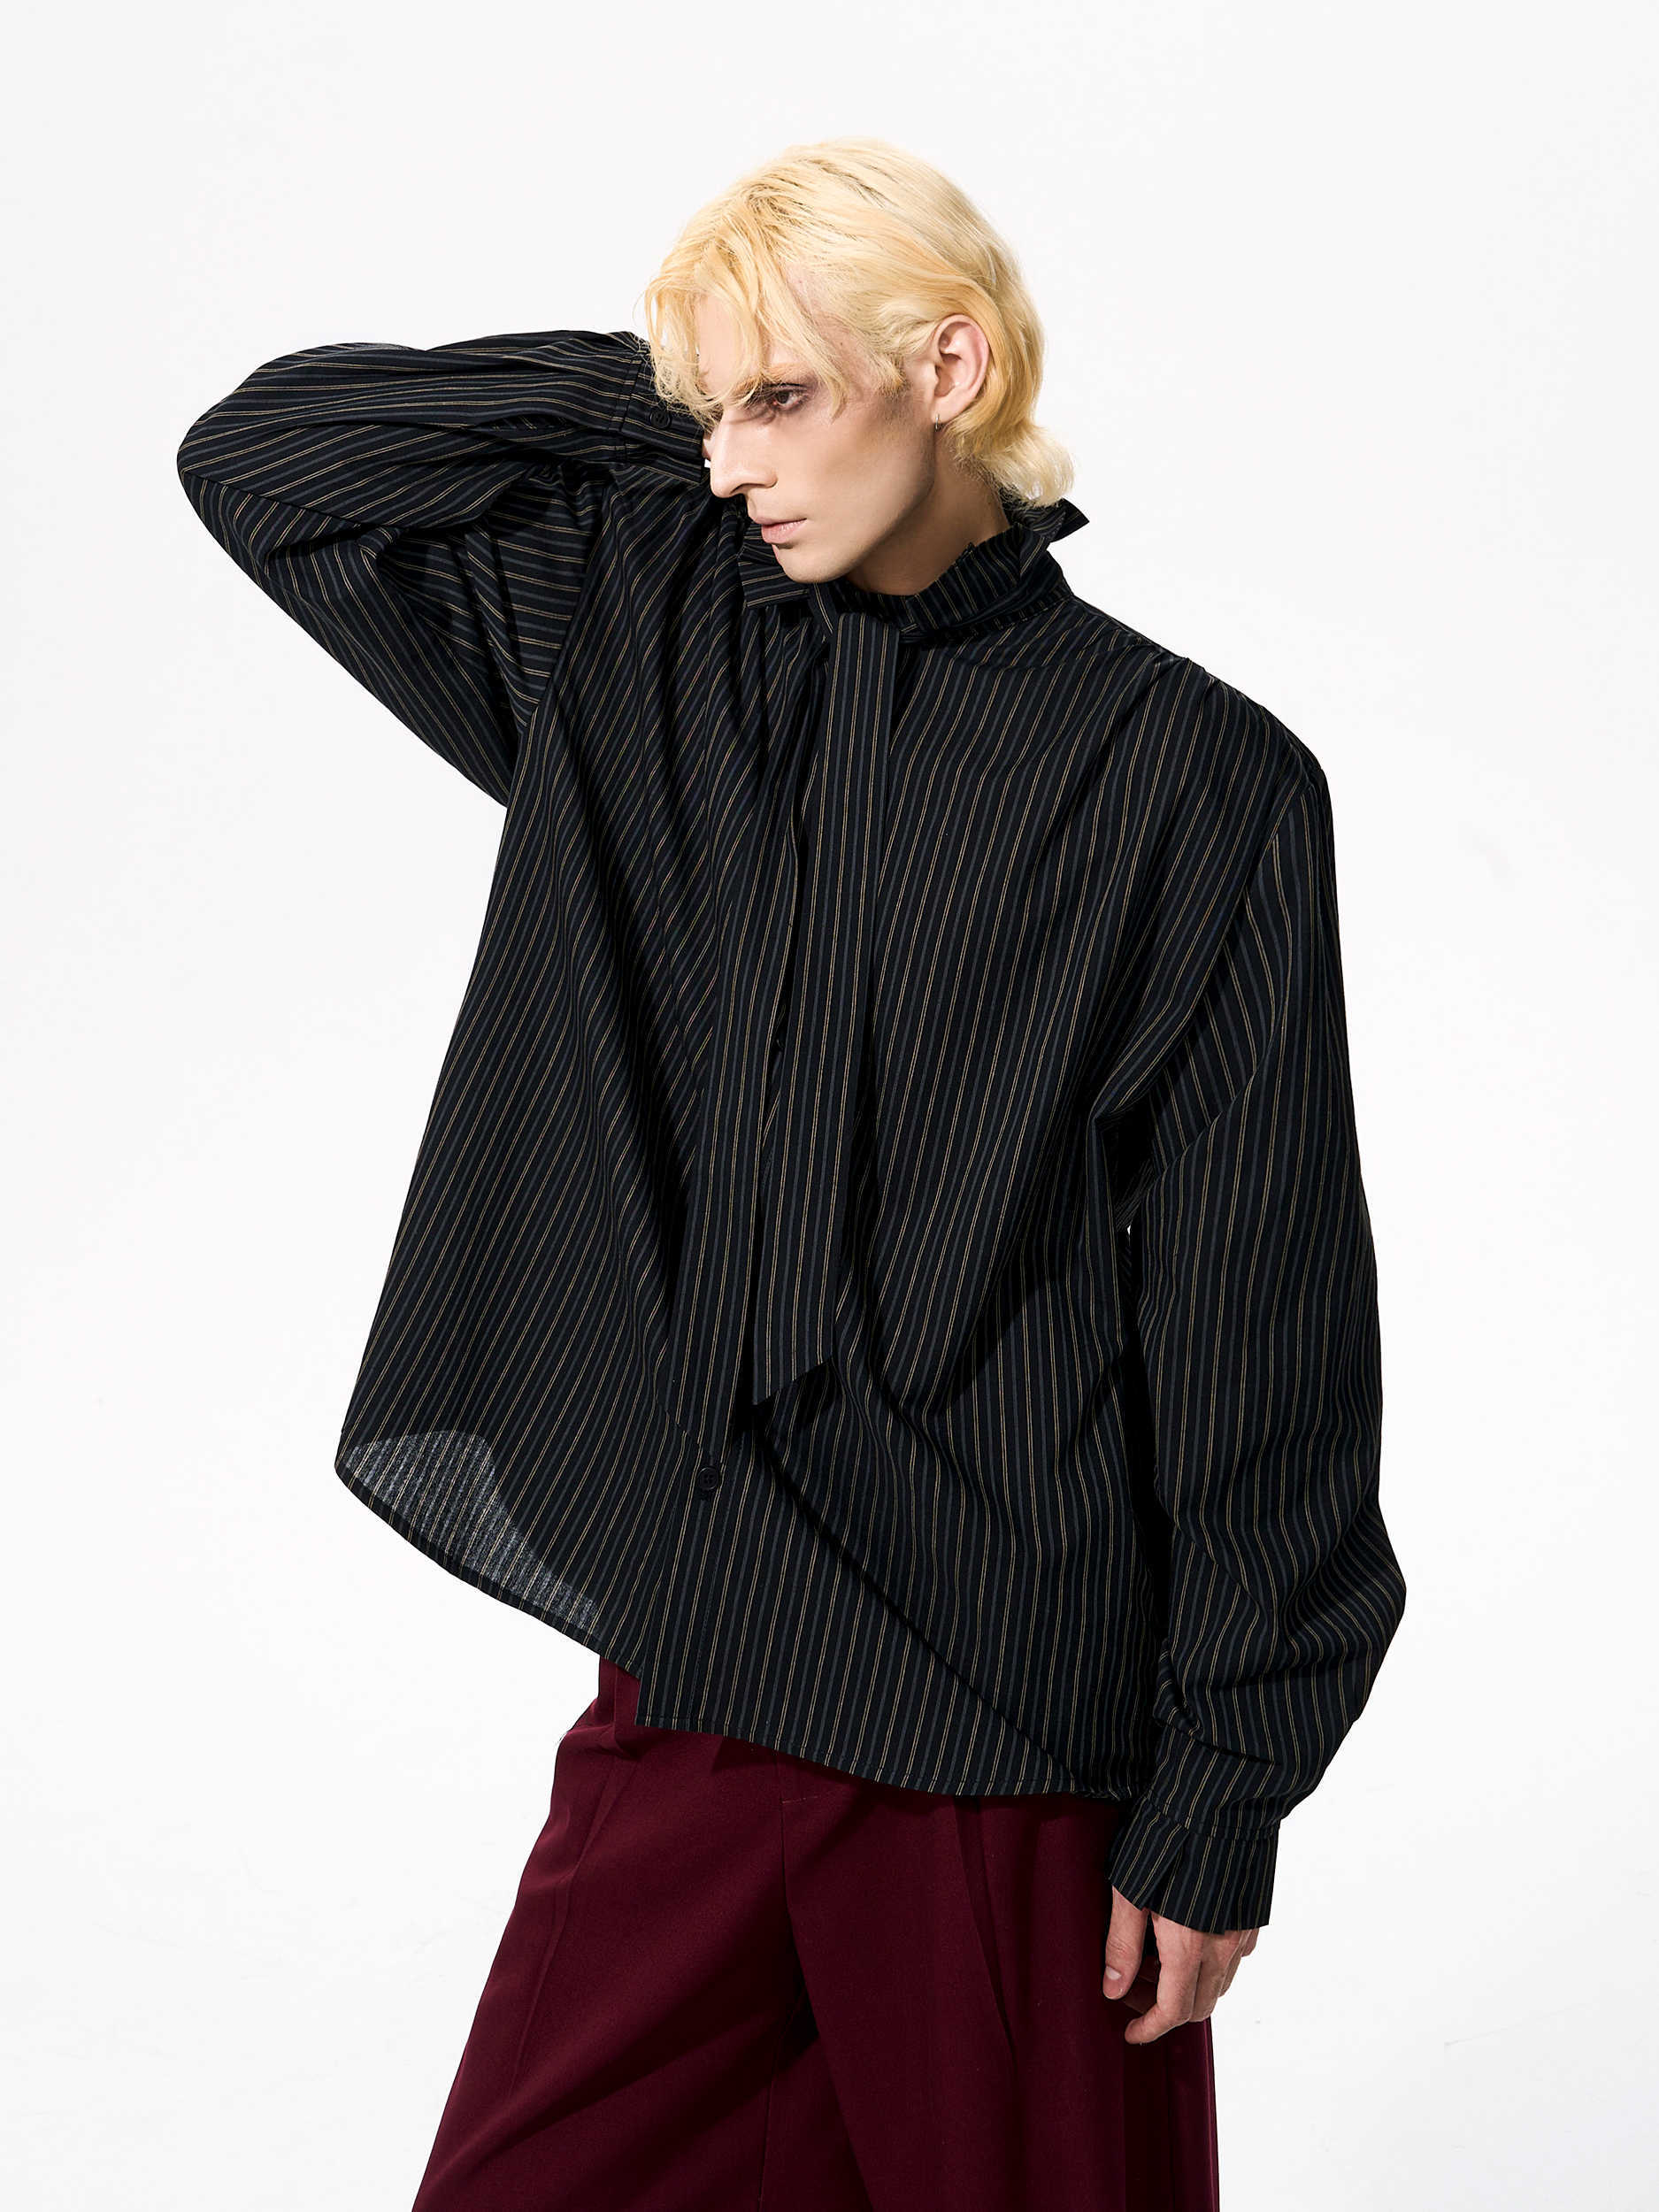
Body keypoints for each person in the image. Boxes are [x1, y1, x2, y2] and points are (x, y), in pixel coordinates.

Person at [176, 135, 1405, 2209]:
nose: (734, 462)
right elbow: (270, 459)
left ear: (949, 365)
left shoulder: (1192, 780)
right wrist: (675, 389)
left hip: (1007, 1724)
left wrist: (1223, 1785)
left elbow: (1252, 1309)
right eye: (709, 412)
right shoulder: (639, 628)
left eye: (780, 399)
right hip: (697, 1668)